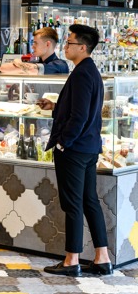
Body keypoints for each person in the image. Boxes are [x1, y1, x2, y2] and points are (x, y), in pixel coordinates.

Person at [37, 24, 112, 277]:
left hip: (75, 149)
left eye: (69, 43)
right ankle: (103, 258)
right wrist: (55, 106)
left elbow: (79, 116)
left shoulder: (81, 74)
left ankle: (72, 260)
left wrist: (63, 142)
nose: (65, 46)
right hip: (89, 148)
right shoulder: (91, 71)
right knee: (89, 201)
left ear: (82, 47)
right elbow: (82, 109)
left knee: (72, 204)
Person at [0, 27, 69, 75]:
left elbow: (33, 71)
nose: (32, 47)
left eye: (36, 43)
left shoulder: (60, 65)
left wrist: (19, 63)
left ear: (47, 44)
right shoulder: (37, 62)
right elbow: (3, 68)